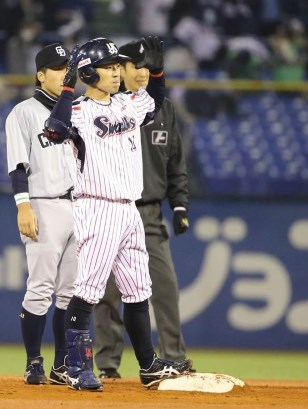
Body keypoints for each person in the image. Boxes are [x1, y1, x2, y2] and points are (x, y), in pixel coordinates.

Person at [43, 36, 193, 391]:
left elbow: (155, 100)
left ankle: (148, 366)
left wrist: (157, 71)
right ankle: (75, 367)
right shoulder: (78, 111)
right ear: (88, 73)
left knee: (138, 291)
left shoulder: (127, 104)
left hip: (129, 210)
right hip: (97, 207)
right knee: (88, 290)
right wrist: (68, 88)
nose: (115, 73)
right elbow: (53, 130)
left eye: (115, 67)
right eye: (108, 67)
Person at [93, 40, 191, 380]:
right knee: (107, 293)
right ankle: (108, 365)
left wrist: (180, 205)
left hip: (149, 213)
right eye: (136, 65)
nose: (142, 72)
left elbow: (176, 163)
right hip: (112, 209)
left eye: (148, 66)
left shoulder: (164, 109)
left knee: (165, 287)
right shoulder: (109, 107)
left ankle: (175, 358)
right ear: (119, 69)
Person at [5, 43, 77, 386]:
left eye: (68, 68)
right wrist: (23, 205)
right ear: (40, 74)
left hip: (80, 205)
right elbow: (18, 165)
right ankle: (33, 362)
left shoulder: (78, 110)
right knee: (40, 289)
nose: (65, 74)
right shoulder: (23, 113)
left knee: (71, 292)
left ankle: (62, 365)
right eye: (59, 68)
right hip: (44, 204)